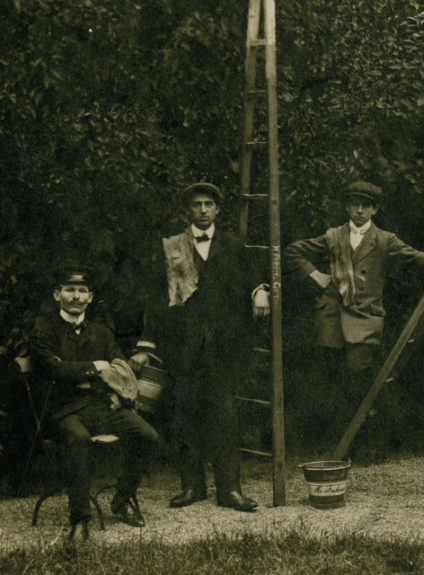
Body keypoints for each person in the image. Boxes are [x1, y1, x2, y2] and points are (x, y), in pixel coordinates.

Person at [284, 181, 424, 450]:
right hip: (332, 318)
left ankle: (359, 445)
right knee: (332, 380)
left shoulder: (384, 239)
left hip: (365, 319)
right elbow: (293, 252)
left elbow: (419, 257)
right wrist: (317, 276)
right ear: (347, 206)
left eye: (365, 205)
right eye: (354, 204)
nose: (359, 210)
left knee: (358, 379)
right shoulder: (333, 236)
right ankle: (334, 446)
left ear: (375, 209)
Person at [131, 183, 268, 512]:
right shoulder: (172, 248)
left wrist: (260, 291)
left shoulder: (233, 245)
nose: (203, 210)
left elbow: (254, 278)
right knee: (185, 416)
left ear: (218, 210)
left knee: (225, 416)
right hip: (183, 347)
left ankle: (230, 490)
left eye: (209, 204)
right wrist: (147, 343)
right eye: (197, 205)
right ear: (187, 211)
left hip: (223, 349)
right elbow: (157, 298)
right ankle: (192, 486)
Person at [31, 265, 158, 544]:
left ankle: (122, 499)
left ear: (90, 297)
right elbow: (53, 370)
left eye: (81, 291)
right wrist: (94, 367)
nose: (76, 297)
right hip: (60, 412)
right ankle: (80, 520)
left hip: (100, 408)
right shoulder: (44, 332)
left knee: (148, 436)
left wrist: (109, 383)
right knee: (78, 439)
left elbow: (119, 366)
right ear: (57, 295)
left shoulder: (101, 333)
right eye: (69, 290)